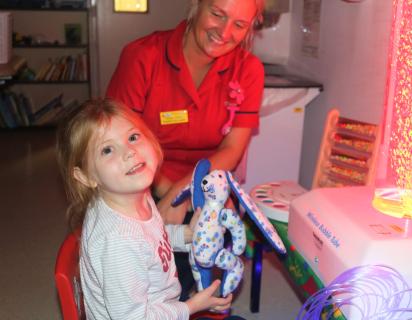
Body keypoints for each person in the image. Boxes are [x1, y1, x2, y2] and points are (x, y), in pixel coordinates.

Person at [106, 0, 266, 300]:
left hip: (206, 180)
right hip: (140, 174)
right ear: (196, 5)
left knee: (205, 252)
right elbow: (118, 143)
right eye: (217, 14)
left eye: (239, 25)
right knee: (140, 269)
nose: (224, 32)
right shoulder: (142, 56)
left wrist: (186, 191)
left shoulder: (249, 70)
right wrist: (168, 192)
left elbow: (232, 149)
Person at [56, 98, 233, 319]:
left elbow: (151, 238)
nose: (129, 151)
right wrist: (191, 306)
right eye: (107, 150)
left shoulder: (132, 194)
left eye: (132, 137)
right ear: (86, 177)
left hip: (158, 304)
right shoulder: (118, 242)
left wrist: (187, 234)